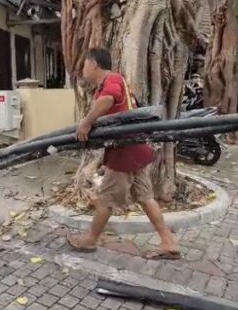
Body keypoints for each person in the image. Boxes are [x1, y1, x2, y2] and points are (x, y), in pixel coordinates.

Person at [66, 48, 180, 259]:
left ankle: (90, 240)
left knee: (105, 200)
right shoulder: (106, 84)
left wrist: (86, 122)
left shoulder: (113, 78)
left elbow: (108, 100)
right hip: (135, 148)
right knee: (145, 197)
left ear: (94, 64)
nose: (82, 69)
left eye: (84, 65)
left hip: (125, 151)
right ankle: (168, 242)